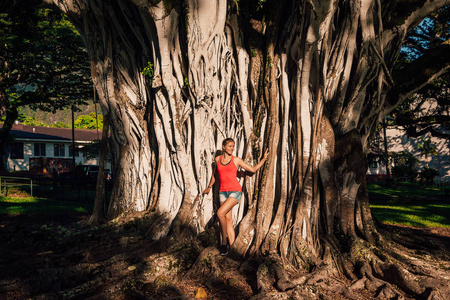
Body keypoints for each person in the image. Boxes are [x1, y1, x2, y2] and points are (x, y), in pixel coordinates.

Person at [203, 138, 269, 255]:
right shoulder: (217, 159)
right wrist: (209, 186)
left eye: (233, 146)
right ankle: (232, 249)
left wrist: (263, 159)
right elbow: (215, 175)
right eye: (229, 146)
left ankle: (224, 244)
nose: (232, 148)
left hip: (235, 191)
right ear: (223, 146)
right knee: (228, 220)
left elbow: (252, 169)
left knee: (220, 213)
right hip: (222, 192)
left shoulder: (236, 160)